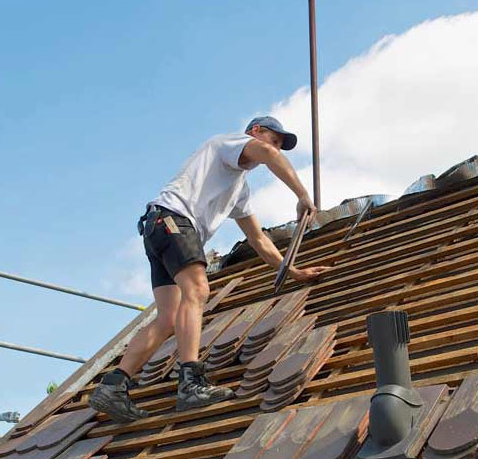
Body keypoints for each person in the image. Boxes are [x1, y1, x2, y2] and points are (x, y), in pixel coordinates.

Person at [90, 116, 329, 422]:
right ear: (255, 132)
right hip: (174, 220)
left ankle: (113, 385)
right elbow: (269, 155)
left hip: (159, 228)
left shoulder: (238, 189)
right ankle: (191, 384)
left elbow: (257, 239)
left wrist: (292, 271)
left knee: (168, 318)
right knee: (198, 290)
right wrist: (302, 195)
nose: (276, 148)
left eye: (280, 145)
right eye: (274, 139)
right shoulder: (226, 144)